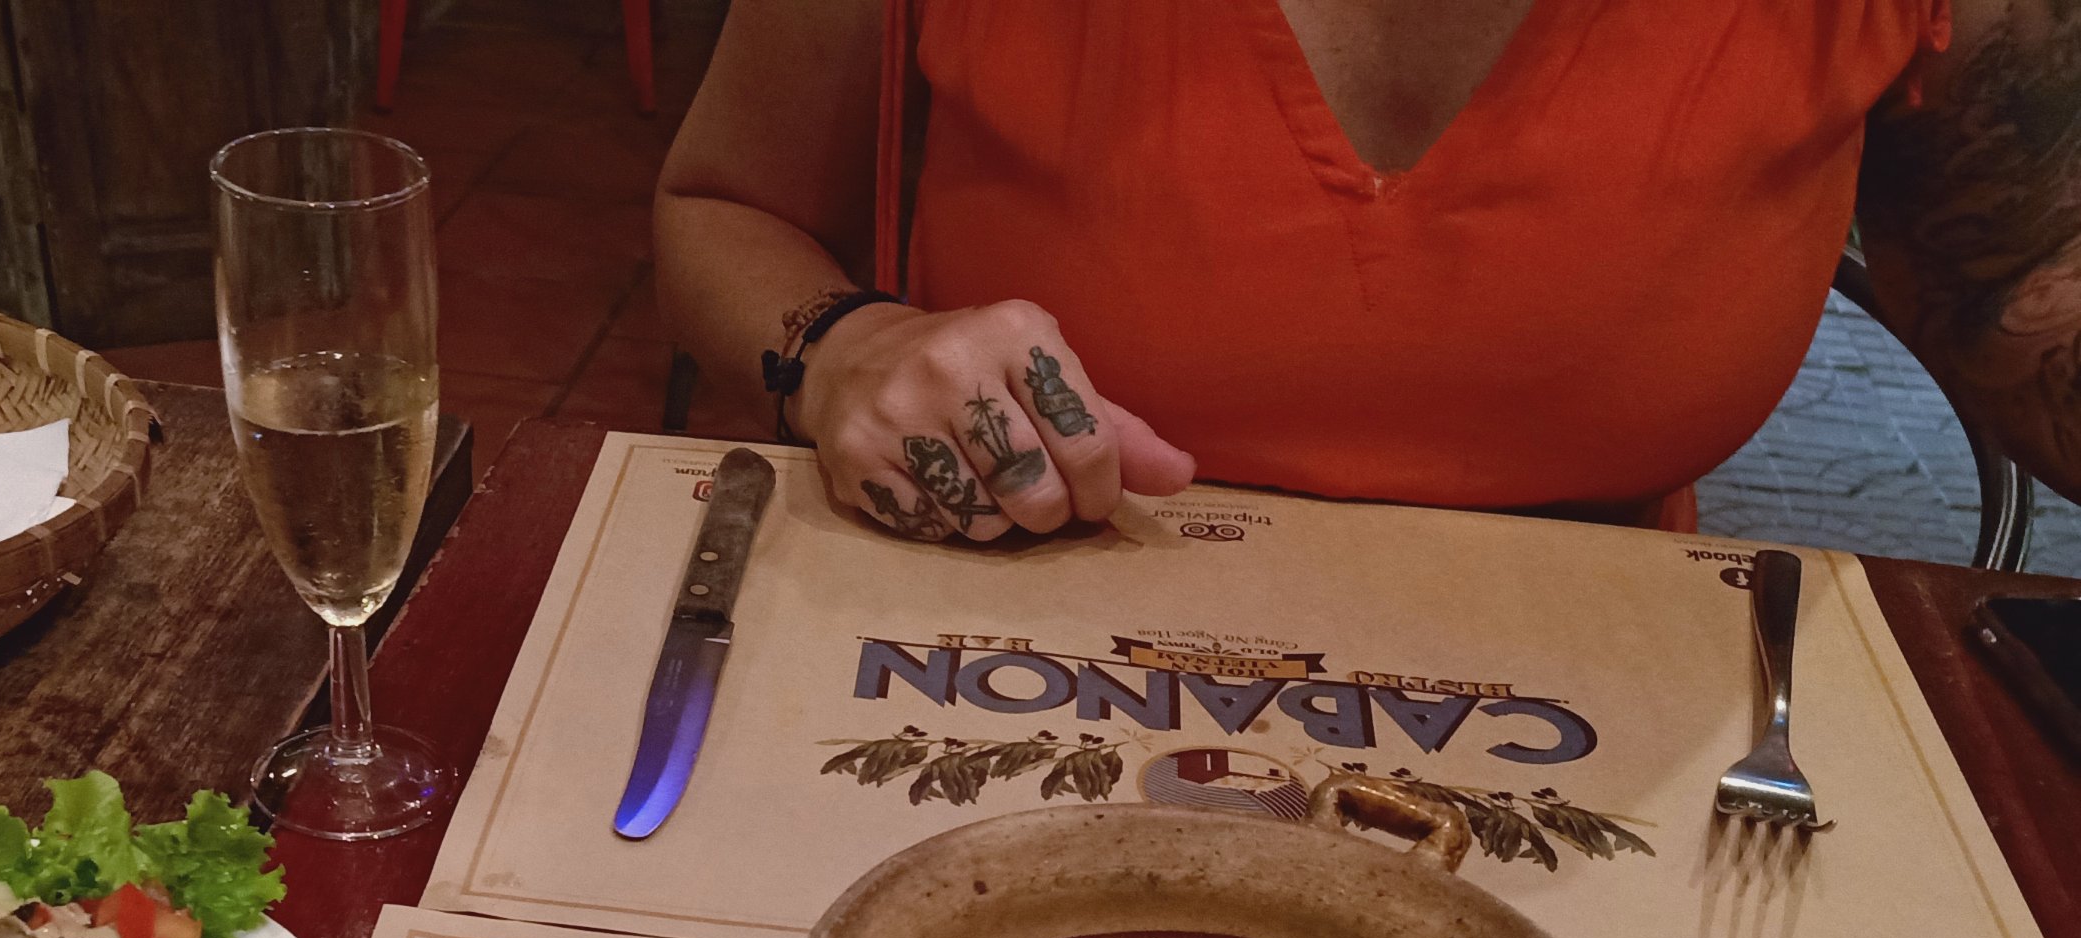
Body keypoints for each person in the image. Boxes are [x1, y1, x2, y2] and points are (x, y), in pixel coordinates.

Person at [654, 0, 2081, 542]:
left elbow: (2032, 316)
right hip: (1008, 646)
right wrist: (843, 346)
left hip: (1613, 721)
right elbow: (722, 206)